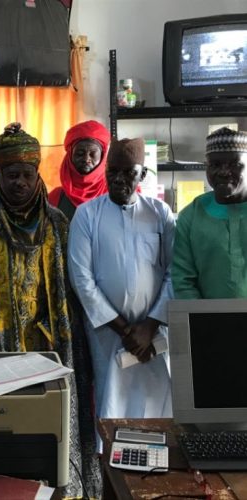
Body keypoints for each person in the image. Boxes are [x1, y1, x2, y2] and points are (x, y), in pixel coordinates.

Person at [0, 122, 101, 498]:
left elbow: (73, 290)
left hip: (50, 348)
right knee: (1, 438)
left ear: (38, 176)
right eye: (10, 174)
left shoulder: (60, 225)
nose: (18, 182)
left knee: (48, 434)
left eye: (26, 174)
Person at [68, 137, 174, 451]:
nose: (119, 179)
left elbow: (174, 273)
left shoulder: (160, 214)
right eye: (113, 171)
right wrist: (126, 330)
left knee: (156, 412)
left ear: (142, 175)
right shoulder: (87, 215)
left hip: (153, 338)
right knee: (111, 410)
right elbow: (81, 279)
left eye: (129, 173)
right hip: (108, 336)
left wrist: (149, 326)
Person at [172, 126, 247, 299]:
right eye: (215, 165)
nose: (223, 172)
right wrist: (204, 322)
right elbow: (183, 281)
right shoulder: (191, 216)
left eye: (235, 164)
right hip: (208, 323)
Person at [49, 120, 111, 220]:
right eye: (80, 153)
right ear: (69, 156)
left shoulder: (115, 194)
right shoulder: (54, 197)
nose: (86, 159)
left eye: (93, 154)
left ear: (102, 157)